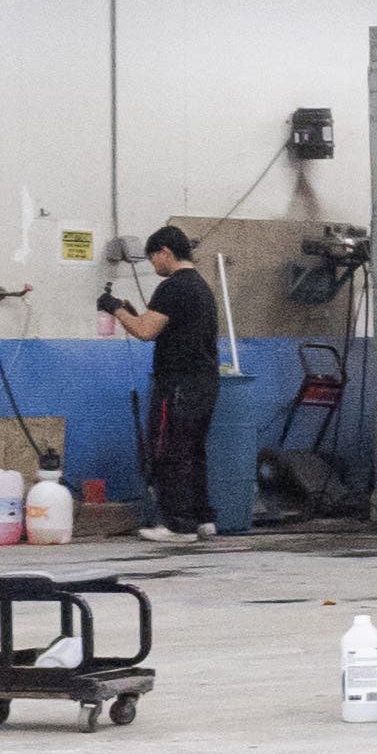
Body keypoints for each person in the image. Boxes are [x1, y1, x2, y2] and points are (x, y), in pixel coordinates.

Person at [102, 226, 225, 541]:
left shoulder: (173, 287)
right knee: (193, 450)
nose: (153, 265)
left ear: (165, 252)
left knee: (170, 451)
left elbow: (145, 331)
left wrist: (113, 308)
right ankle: (202, 518)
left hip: (178, 384)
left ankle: (179, 525)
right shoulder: (200, 286)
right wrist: (130, 313)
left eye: (153, 258)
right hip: (204, 382)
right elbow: (161, 326)